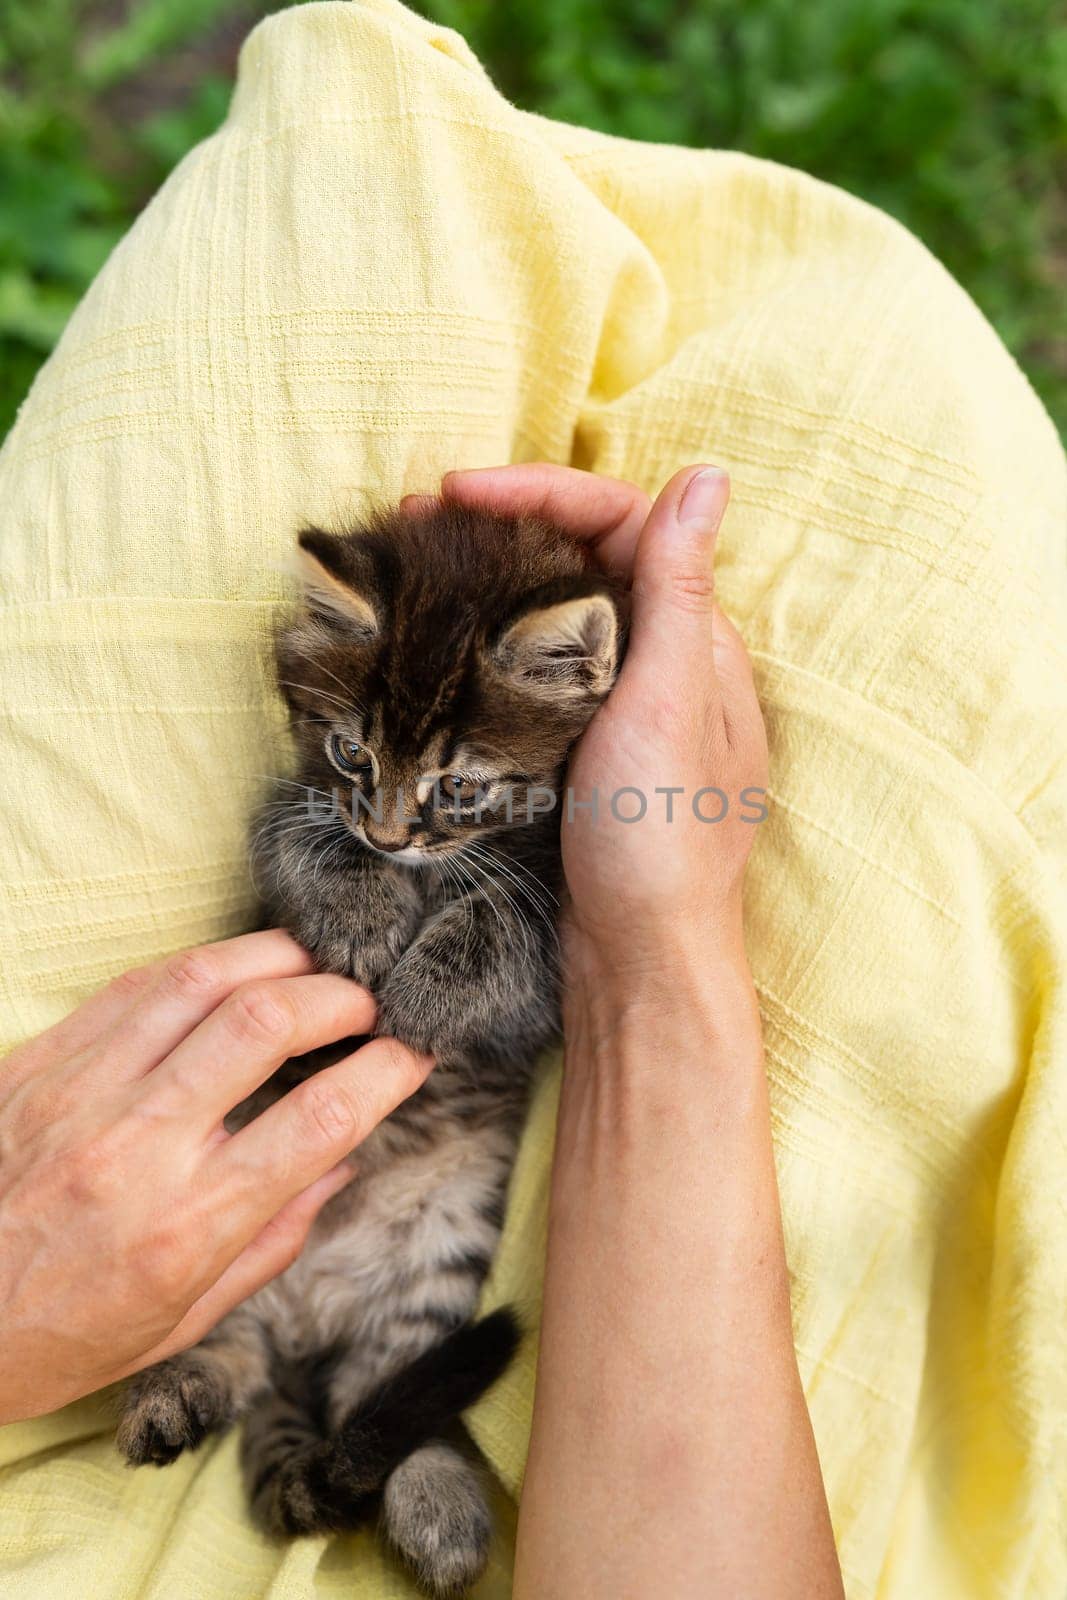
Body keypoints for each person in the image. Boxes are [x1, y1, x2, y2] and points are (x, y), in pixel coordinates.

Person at [0, 462, 844, 1599]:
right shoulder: (342, 788)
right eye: (361, 763)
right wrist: (328, 852)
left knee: (442, 1234)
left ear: (578, 679)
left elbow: (519, 969)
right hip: (272, 1134)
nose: (392, 823)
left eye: (452, 793)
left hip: (419, 1163)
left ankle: (388, 1428)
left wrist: (640, 923)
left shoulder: (549, 805)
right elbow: (297, 832)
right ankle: (220, 1360)